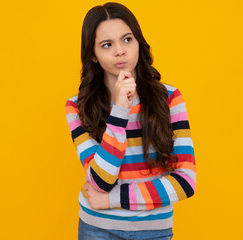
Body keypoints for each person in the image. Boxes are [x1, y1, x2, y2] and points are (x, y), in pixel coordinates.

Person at [64, 2, 196, 239]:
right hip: (97, 229)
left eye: (127, 39)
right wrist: (120, 110)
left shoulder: (170, 98)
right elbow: (100, 181)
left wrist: (113, 199)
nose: (120, 51)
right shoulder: (77, 107)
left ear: (138, 43)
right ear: (93, 55)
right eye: (107, 45)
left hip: (154, 231)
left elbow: (186, 182)